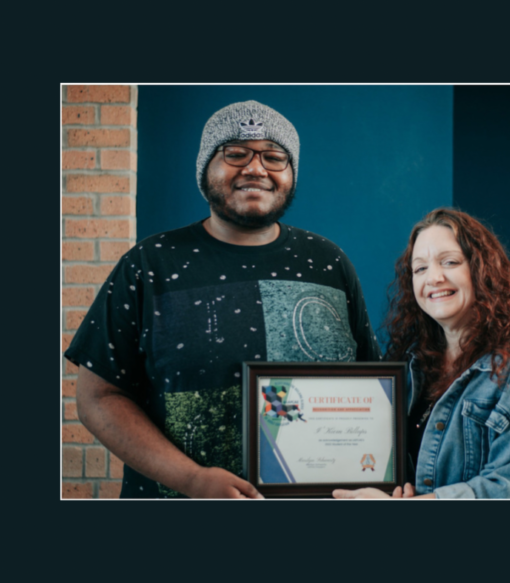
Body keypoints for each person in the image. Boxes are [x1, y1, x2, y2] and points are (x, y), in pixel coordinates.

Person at [65, 100, 381, 498]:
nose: (255, 168)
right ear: (205, 170)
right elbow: (98, 398)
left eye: (273, 156)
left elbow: (369, 386)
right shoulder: (148, 265)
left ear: (291, 173)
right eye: (235, 154)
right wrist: (191, 479)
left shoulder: (329, 262)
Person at [333, 208, 510, 499]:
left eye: (449, 262)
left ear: (483, 269)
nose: (434, 277)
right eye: (420, 268)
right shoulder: (412, 365)